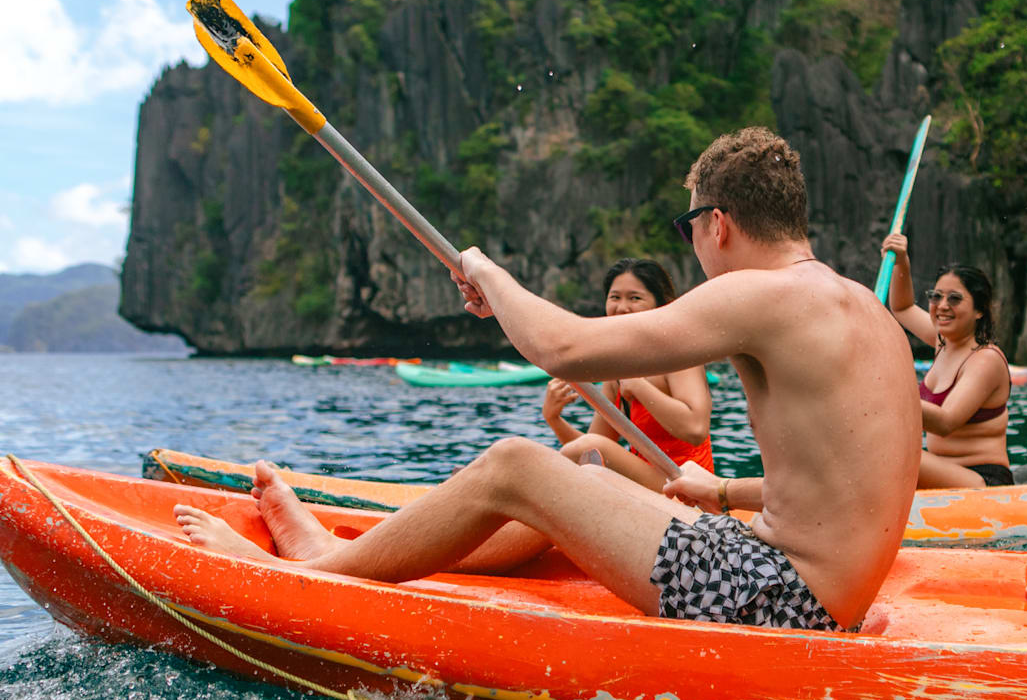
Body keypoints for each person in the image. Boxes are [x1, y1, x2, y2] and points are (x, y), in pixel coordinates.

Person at [174, 127, 922, 631]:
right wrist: (723, 495)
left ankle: (322, 571)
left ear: (717, 223)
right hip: (808, 584)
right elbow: (862, 480)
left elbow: (562, 346)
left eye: (686, 227)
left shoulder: (764, 293)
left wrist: (487, 271)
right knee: (582, 471)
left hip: (782, 599)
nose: (692, 245)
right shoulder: (863, 307)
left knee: (514, 464)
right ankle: (363, 546)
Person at [543, 257, 715, 490]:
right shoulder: (617, 369)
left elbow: (695, 429)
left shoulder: (678, 357)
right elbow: (591, 451)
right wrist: (554, 419)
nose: (622, 307)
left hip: (693, 489)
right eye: (615, 297)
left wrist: (639, 386)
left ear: (661, 305)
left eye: (635, 298)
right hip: (650, 488)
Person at [880, 232, 1012, 487]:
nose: (941, 305)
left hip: (982, 480)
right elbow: (903, 308)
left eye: (954, 299)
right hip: (944, 471)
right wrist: (902, 262)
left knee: (891, 452)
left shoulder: (986, 360)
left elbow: (945, 421)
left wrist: (886, 396)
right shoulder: (943, 343)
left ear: (979, 310)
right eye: (936, 296)